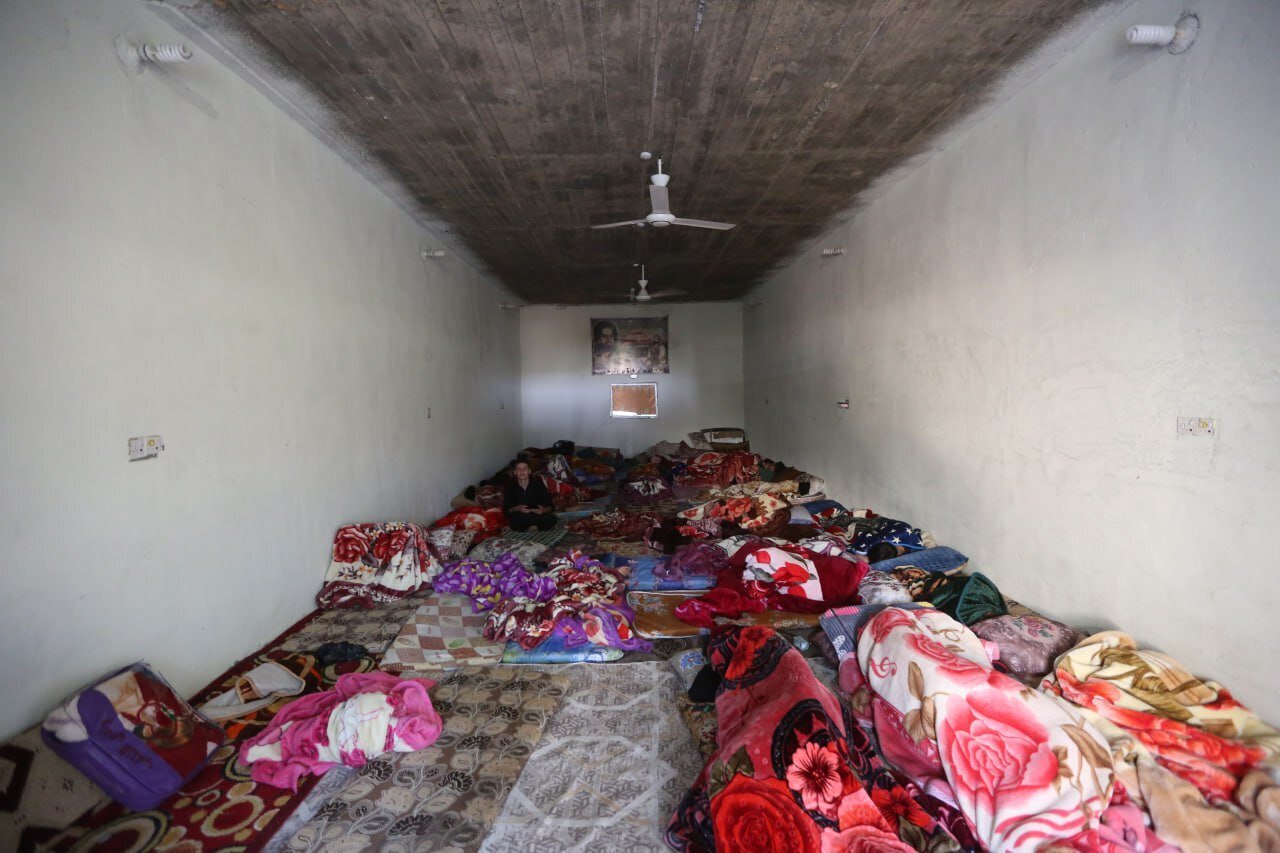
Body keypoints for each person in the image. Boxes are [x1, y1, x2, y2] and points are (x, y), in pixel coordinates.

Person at [504, 461, 556, 531]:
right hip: (520, 515)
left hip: (535, 514)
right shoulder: (510, 486)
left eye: (524, 469)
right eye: (519, 469)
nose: (522, 471)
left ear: (529, 471)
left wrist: (543, 510)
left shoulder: (538, 484)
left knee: (552, 518)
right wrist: (517, 508)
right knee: (514, 519)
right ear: (515, 472)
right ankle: (535, 527)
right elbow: (507, 510)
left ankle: (527, 528)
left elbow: (550, 506)